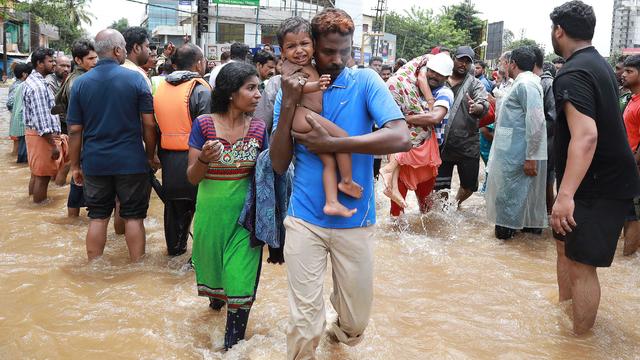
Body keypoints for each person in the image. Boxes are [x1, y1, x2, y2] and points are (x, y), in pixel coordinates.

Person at [270, 9, 411, 359]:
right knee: (304, 324)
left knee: (355, 324)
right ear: (312, 46)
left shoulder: (365, 81)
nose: (336, 60)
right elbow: (277, 162)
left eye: (343, 52)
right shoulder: (293, 88)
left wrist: (335, 145)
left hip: (355, 222)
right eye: (328, 52)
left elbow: (401, 136)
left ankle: (337, 338)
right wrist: (288, 102)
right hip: (304, 220)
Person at [550, 0, 640, 335]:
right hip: (599, 180)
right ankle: (565, 316)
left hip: (596, 185)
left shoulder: (572, 72)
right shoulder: (597, 63)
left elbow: (586, 136)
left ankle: (579, 343)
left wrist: (565, 195)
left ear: (559, 30)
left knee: (582, 265)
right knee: (565, 249)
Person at [186, 62, 266, 350]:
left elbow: (266, 175)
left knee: (241, 285)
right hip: (210, 217)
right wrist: (205, 159)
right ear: (232, 93)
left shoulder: (259, 128)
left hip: (245, 221)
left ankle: (231, 350)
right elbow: (193, 177)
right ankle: (215, 305)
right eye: (251, 88)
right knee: (217, 285)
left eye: (259, 87)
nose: (258, 94)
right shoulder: (203, 125)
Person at [66, 29, 157, 261]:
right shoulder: (136, 78)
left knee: (98, 217)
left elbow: (75, 130)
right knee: (134, 217)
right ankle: (137, 267)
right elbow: (149, 124)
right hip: (131, 161)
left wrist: (75, 166)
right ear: (117, 50)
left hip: (95, 162)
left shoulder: (80, 84)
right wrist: (150, 156)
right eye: (124, 47)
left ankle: (94, 267)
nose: (125, 51)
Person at [277, 15, 363, 217]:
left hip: (305, 117)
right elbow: (297, 86)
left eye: (304, 44)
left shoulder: (311, 65)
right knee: (342, 136)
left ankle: (331, 202)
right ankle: (347, 181)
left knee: (329, 162)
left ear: (314, 45)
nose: (299, 51)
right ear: (282, 52)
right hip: (301, 116)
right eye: (291, 47)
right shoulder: (291, 68)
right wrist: (317, 85)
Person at [154, 43, 211, 256]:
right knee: (203, 213)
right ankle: (199, 262)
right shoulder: (201, 91)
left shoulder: (161, 88)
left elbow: (153, 126)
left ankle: (174, 257)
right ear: (198, 63)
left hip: (168, 161)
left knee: (174, 214)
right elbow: (208, 132)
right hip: (196, 162)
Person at [485, 46, 548, 239]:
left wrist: (531, 157)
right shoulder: (520, 83)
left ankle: (506, 241)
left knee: (509, 202)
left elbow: (536, 123)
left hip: (518, 158)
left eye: (506, 62)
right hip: (510, 155)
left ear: (513, 63)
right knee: (509, 200)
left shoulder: (526, 84)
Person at [382, 53, 454, 213]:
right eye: (432, 71)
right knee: (396, 210)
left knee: (425, 207)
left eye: (440, 74)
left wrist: (403, 119)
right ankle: (395, 236)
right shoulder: (413, 88)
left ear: (447, 77)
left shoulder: (444, 93)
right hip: (405, 156)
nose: (434, 76)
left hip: (425, 157)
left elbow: (435, 117)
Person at [436, 46, 489, 206]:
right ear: (454, 58)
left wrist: (477, 107)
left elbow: (483, 102)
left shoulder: (475, 84)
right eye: (461, 59)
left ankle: (455, 204)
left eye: (467, 61)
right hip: (442, 145)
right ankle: (443, 213)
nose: (463, 64)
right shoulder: (440, 79)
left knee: (470, 186)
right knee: (440, 188)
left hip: (467, 145)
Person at [53, 39, 98, 217]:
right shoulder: (79, 82)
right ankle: (74, 220)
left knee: (75, 178)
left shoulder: (76, 78)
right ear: (78, 61)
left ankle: (73, 221)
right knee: (79, 180)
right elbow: (78, 119)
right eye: (90, 58)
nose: (95, 62)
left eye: (96, 58)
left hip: (79, 136)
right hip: (82, 136)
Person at [22, 47, 66, 203]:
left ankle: (32, 205)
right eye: (50, 61)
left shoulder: (34, 81)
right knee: (43, 176)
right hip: (42, 137)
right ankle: (39, 206)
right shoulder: (39, 86)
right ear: (40, 63)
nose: (53, 64)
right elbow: (42, 121)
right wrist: (53, 145)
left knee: (36, 173)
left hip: (34, 135)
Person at [531, 46, 557, 215]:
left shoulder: (546, 83)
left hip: (545, 144)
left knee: (545, 182)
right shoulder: (535, 82)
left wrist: (533, 135)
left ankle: (546, 216)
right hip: (541, 143)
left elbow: (552, 118)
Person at [619, 54, 640, 256]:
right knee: (629, 213)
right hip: (628, 165)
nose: (623, 75)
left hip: (635, 167)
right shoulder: (631, 99)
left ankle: (628, 260)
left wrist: (634, 162)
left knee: (634, 216)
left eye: (629, 71)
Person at [7, 62, 32, 163]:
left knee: (17, 149)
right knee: (18, 148)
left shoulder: (17, 84)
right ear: (24, 74)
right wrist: (17, 111)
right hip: (19, 120)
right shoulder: (19, 86)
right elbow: (10, 103)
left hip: (17, 119)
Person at [122, 26, 152, 91]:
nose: (150, 51)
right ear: (136, 48)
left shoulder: (114, 71)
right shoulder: (140, 77)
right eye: (147, 46)